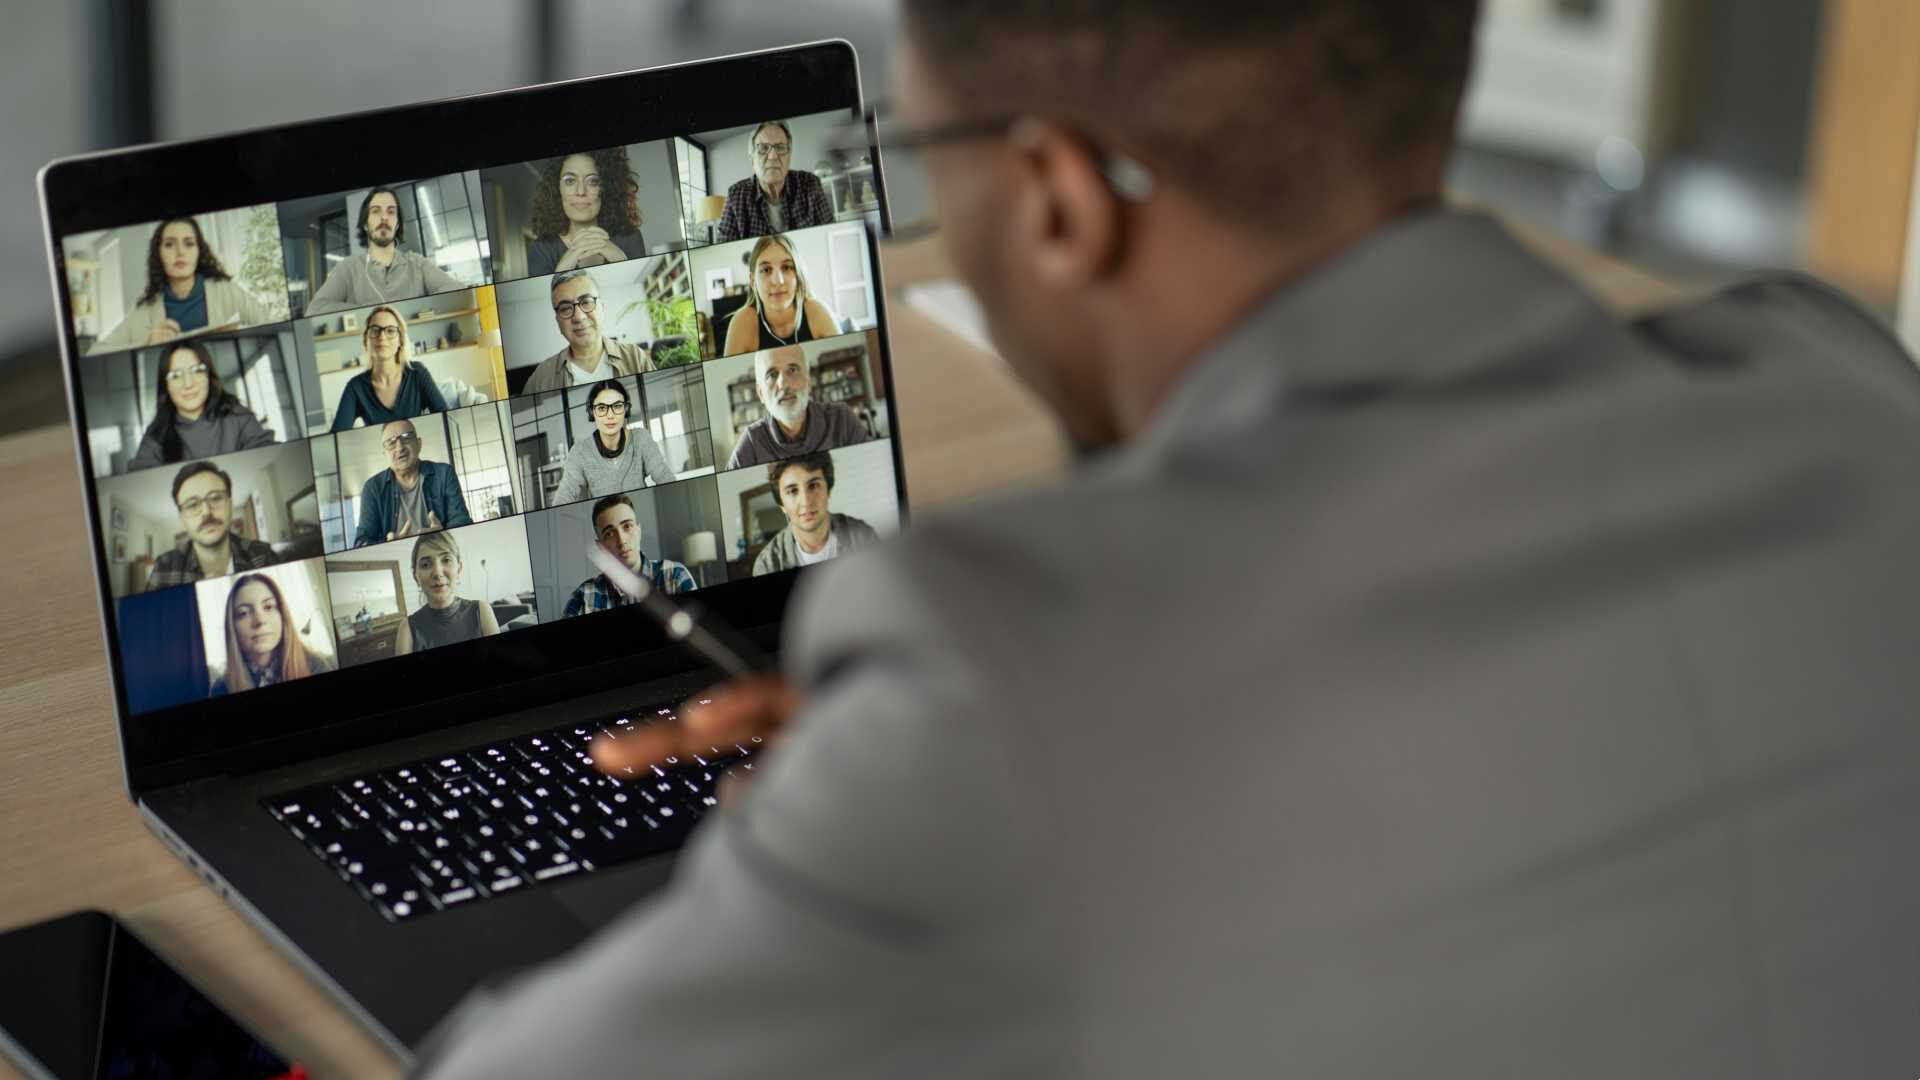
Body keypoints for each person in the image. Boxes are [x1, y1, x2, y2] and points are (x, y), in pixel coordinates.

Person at [421, 3, 1920, 1077]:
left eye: (931, 152)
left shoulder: (1001, 683)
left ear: (1065, 198)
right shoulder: (1848, 392)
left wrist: (873, 825)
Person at [90, 217, 274, 354]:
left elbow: (270, 324)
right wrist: (146, 343)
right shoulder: (145, 310)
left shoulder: (225, 291)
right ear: (158, 254)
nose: (180, 252)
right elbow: (95, 352)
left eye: (189, 244)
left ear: (198, 252)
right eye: (169, 244)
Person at [305, 186, 465, 315]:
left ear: (397, 224)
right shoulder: (347, 268)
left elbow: (457, 291)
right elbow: (315, 309)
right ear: (366, 224)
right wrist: (371, 311)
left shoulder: (418, 264)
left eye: (391, 211)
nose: (384, 217)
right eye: (376, 211)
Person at [125, 342, 275, 470]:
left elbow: (266, 452)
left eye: (196, 370)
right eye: (176, 376)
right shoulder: (156, 434)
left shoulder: (236, 415)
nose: (188, 384)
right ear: (166, 386)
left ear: (208, 376)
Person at [725, 344, 870, 468]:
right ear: (761, 393)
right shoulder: (750, 444)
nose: (783, 384)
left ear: (809, 382)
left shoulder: (842, 419)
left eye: (792, 370)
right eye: (772, 375)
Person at [144, 461, 283, 591]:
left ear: (230, 505)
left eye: (216, 498)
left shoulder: (263, 554)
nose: (206, 512)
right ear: (183, 520)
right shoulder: (164, 567)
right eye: (192, 505)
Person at [519, 269, 653, 394]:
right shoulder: (540, 379)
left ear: (602, 308)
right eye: (565, 308)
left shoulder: (635, 358)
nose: (579, 317)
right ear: (558, 321)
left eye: (587, 302)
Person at [562, 493, 695, 617]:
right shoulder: (583, 596)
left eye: (627, 526)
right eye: (609, 533)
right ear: (600, 547)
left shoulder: (675, 576)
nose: (621, 540)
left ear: (639, 531)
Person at [751, 451, 878, 575]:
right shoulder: (767, 565)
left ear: (828, 490)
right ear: (782, 505)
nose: (806, 502)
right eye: (792, 491)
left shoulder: (863, 536)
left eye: (813, 485)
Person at [525, 149, 647, 276]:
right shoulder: (541, 249)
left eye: (593, 181)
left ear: (607, 188)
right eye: (570, 181)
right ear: (557, 189)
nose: (581, 191)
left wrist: (622, 261)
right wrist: (562, 269)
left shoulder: (630, 238)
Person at [351, 420, 472, 547]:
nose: (400, 447)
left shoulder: (443, 473)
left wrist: (443, 536)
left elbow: (462, 522)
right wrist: (388, 544)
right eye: (391, 442)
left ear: (419, 444)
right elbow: (361, 542)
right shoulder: (373, 488)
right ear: (384, 453)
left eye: (406, 437)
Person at [551, 379, 675, 504]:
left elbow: (665, 478)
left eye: (617, 406)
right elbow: (563, 497)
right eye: (601, 408)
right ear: (592, 412)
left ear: (626, 409)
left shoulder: (640, 438)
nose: (610, 415)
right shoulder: (580, 452)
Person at [719, 232, 842, 358]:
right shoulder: (742, 322)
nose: (778, 281)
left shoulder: (818, 312)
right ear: (752, 281)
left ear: (798, 275)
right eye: (766, 270)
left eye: (787, 267)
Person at [328, 306, 449, 431]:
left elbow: (446, 418)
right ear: (366, 341)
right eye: (375, 330)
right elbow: (336, 435)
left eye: (390, 331)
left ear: (400, 340)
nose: (382, 337)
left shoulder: (417, 373)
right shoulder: (355, 387)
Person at [210, 572, 333, 695]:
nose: (260, 620)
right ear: (232, 627)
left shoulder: (316, 666)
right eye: (243, 613)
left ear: (282, 616)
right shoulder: (221, 689)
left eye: (268, 607)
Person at [714, 120, 837, 242]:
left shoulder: (810, 184)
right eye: (763, 148)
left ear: (789, 156)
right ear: (752, 159)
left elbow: (831, 236)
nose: (773, 156)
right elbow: (723, 248)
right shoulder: (735, 195)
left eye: (780, 147)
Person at [393, 530, 501, 655]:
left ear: (459, 568)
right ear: (415, 576)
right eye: (426, 564)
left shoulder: (481, 610)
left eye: (446, 560)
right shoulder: (407, 628)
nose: (438, 572)